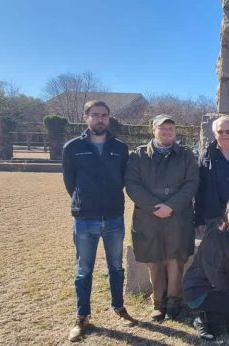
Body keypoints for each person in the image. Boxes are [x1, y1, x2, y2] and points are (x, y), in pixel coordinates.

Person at [62, 100, 138, 341]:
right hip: (85, 219)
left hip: (114, 218)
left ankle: (119, 306)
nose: (100, 119)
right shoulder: (72, 148)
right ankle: (82, 316)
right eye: (95, 115)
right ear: (86, 117)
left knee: (116, 267)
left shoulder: (120, 148)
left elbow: (124, 178)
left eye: (104, 115)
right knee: (84, 270)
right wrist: (86, 201)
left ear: (109, 118)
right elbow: (69, 182)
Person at [125, 115, 199, 322]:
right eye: (162, 129)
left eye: (171, 129)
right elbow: (132, 183)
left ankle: (174, 302)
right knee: (155, 259)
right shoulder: (138, 155)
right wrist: (154, 207)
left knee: (176, 259)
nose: (167, 133)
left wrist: (171, 206)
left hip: (178, 216)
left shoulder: (185, 155)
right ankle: (158, 304)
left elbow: (192, 183)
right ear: (153, 130)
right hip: (149, 217)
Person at [183, 197, 229, 341]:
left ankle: (225, 309)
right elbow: (216, 277)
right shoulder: (216, 237)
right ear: (226, 215)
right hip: (200, 289)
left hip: (227, 287)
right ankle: (203, 319)